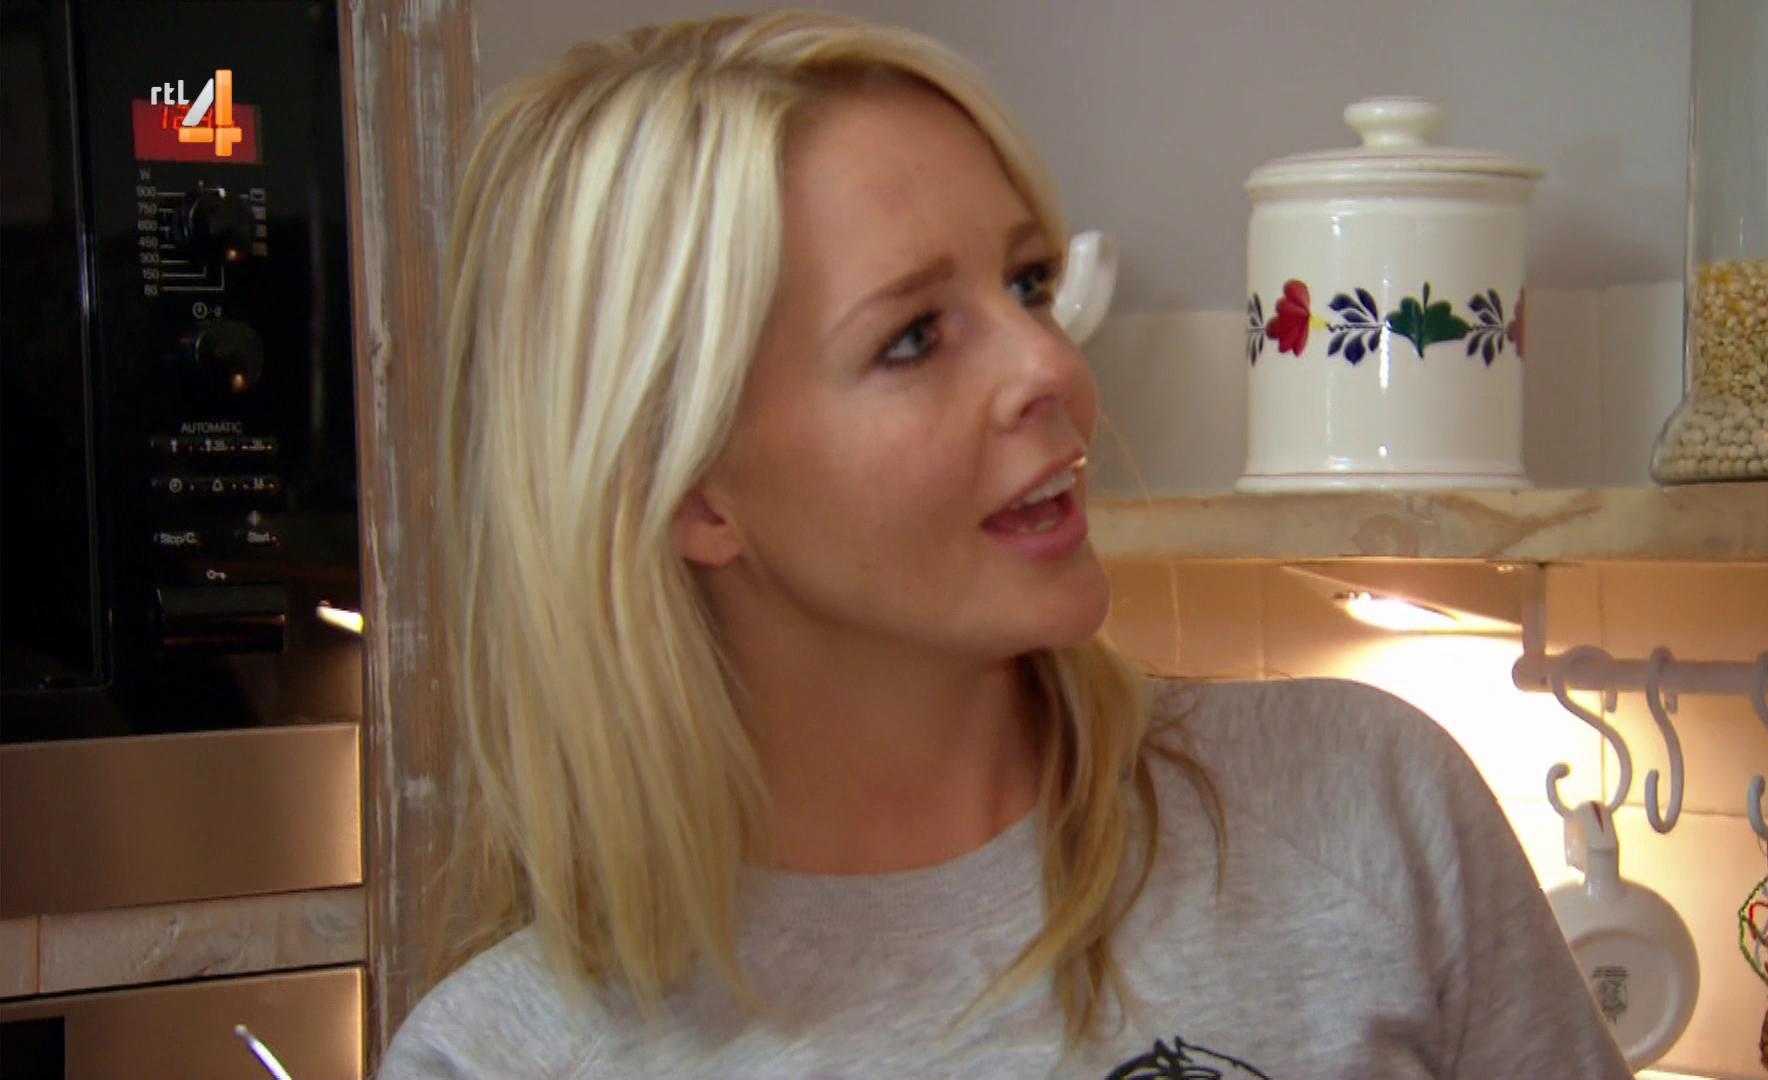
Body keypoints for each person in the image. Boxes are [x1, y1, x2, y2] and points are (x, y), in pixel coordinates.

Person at [378, 9, 1632, 1078]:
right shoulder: (498, 1056)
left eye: (1028, 284)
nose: (1051, 368)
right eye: (914, 337)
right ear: (695, 494)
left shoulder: (1371, 808)